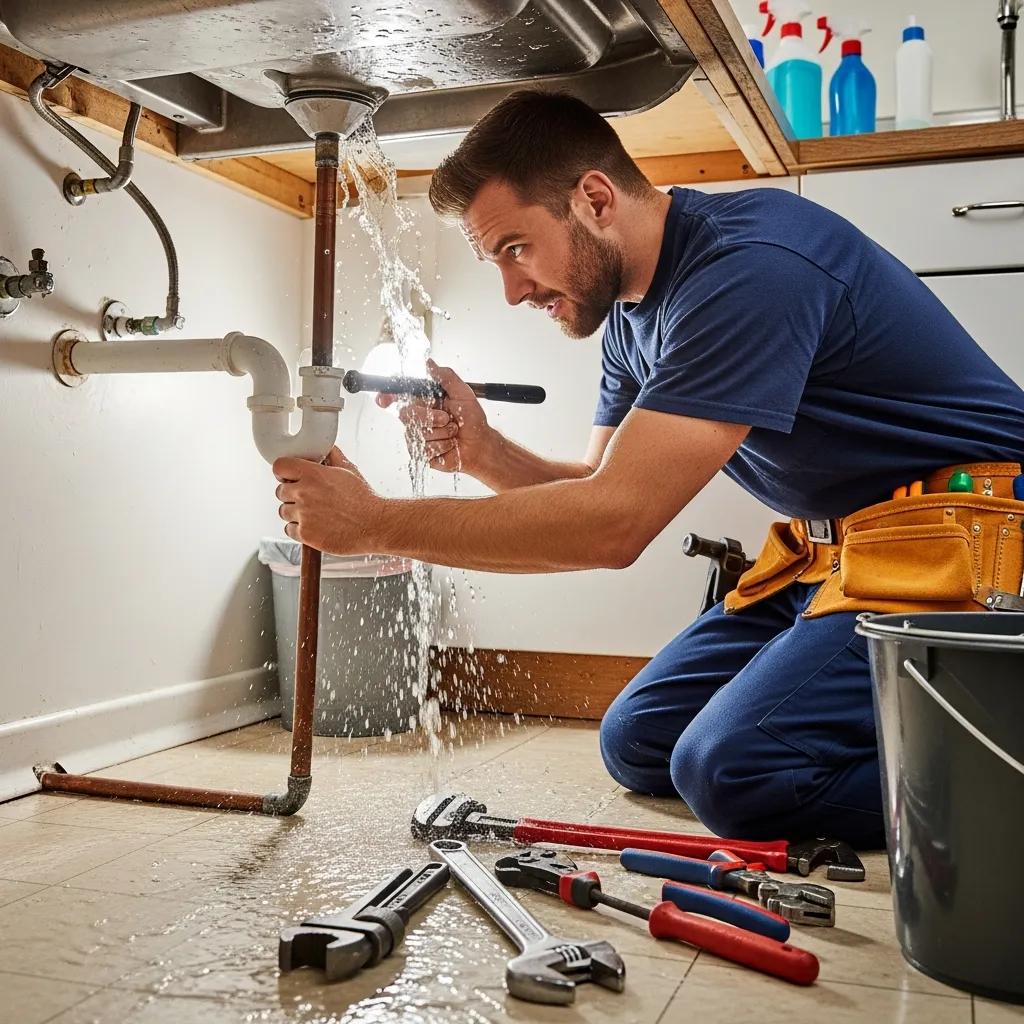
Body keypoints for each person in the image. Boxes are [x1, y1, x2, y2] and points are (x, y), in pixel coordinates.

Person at [274, 90, 1024, 846]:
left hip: (974, 541)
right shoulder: (628, 311)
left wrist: (371, 523)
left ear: (595, 198)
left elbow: (614, 527)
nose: (513, 289)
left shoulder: (748, 270)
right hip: (841, 558)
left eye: (515, 248)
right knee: (637, 739)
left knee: (732, 771)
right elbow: (597, 488)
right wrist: (483, 451)